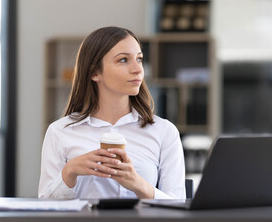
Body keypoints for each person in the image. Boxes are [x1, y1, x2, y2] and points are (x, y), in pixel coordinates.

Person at [38, 26, 185, 199]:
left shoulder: (164, 131)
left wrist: (139, 185)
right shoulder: (59, 132)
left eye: (139, 59)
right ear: (94, 72)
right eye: (123, 60)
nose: (137, 69)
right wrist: (69, 172)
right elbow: (45, 206)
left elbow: (179, 207)